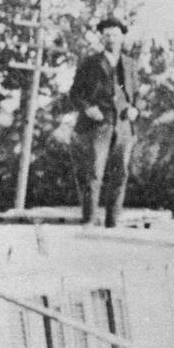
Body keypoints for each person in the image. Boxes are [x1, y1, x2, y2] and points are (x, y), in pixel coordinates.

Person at [65, 17, 142, 227]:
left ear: (122, 37)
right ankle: (89, 219)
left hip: (124, 123)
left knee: (121, 173)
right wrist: (88, 108)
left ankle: (112, 221)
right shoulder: (90, 63)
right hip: (99, 124)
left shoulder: (130, 64)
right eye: (107, 35)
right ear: (102, 38)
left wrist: (136, 108)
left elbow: (136, 94)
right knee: (94, 172)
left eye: (115, 34)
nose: (111, 39)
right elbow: (75, 94)